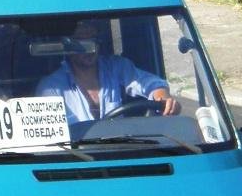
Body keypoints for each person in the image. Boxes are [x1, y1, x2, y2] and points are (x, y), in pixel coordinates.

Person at [35, 19, 179, 123]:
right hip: (76, 159)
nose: (90, 49)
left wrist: (164, 98)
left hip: (123, 152)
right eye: (82, 44)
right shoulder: (51, 87)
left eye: (93, 41)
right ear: (67, 45)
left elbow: (150, 83)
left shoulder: (116, 67)